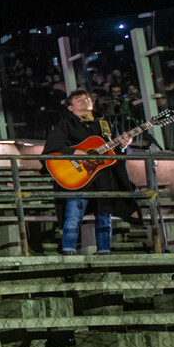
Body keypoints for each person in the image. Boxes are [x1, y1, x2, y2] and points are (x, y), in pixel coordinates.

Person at [43, 89, 132, 255]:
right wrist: (76, 153)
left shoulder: (106, 125)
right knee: (73, 215)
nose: (85, 100)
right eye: (79, 99)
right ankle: (69, 251)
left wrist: (124, 144)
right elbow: (52, 149)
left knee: (105, 217)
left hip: (104, 177)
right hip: (78, 177)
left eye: (87, 97)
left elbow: (117, 154)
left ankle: (104, 252)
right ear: (70, 107)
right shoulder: (66, 125)